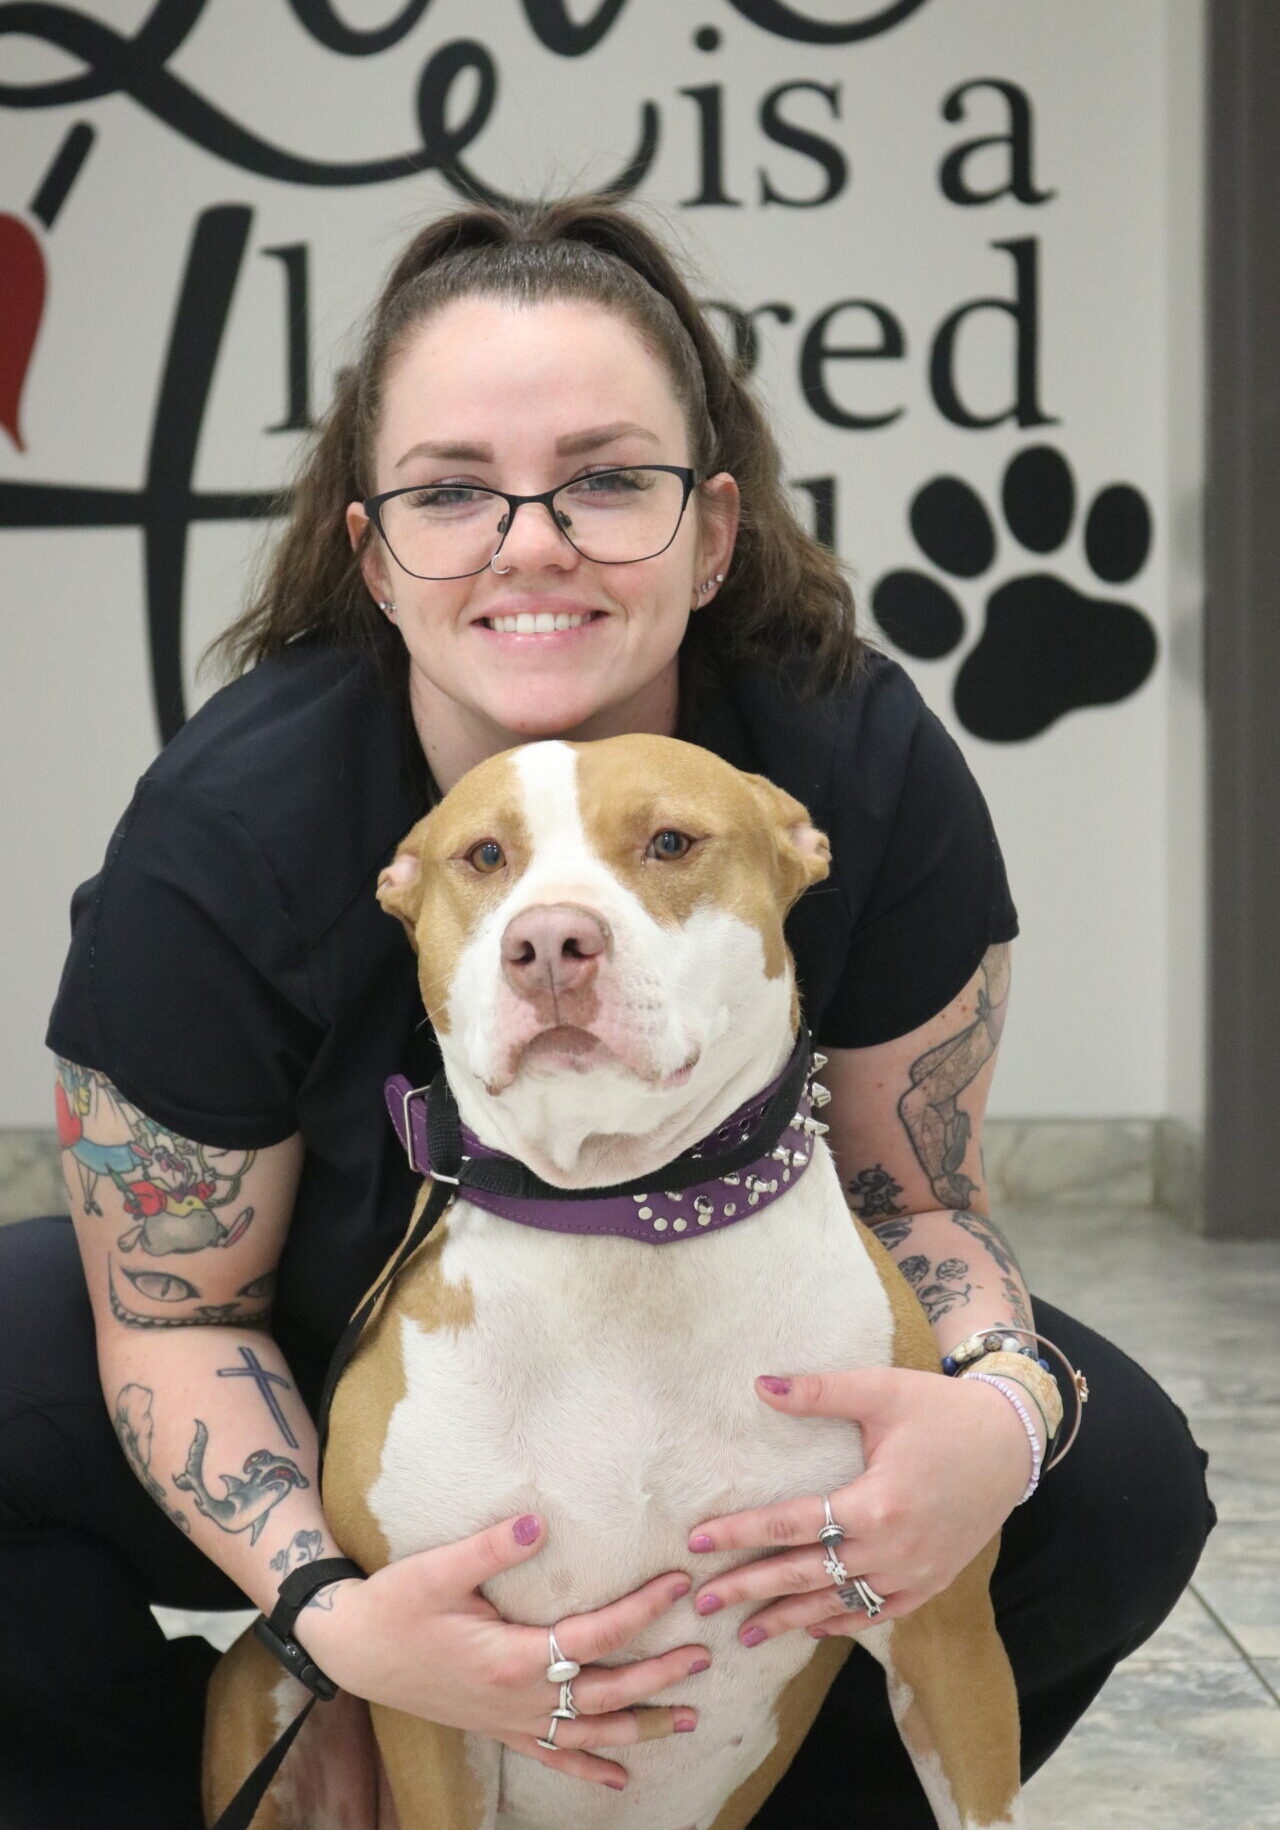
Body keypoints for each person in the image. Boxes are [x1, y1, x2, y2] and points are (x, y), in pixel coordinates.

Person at [2, 194, 1214, 1829]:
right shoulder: (230, 831)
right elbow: (172, 1310)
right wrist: (340, 1615)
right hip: (300, 1339)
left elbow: (914, 1193)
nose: (531, 542)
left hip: (730, 1310)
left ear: (714, 528)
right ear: (375, 550)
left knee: (1112, 1478)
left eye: (606, 479)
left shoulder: (846, 755)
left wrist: (998, 1416)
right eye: (450, 491)